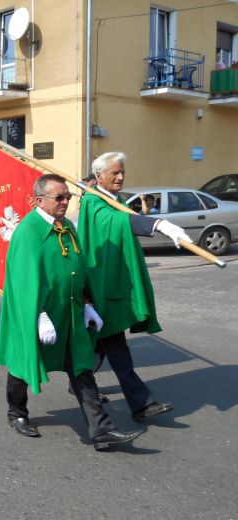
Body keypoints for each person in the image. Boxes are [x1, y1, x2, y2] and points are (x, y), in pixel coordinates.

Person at [0, 174, 142, 449]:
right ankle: (16, 412)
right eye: (59, 198)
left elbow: (79, 268)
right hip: (41, 316)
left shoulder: (66, 227)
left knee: (82, 367)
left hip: (71, 314)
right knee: (23, 365)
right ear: (39, 200)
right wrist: (37, 316)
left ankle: (101, 430)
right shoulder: (28, 233)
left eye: (67, 197)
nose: (65, 202)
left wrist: (87, 303)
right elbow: (23, 280)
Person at [78, 152, 191, 421]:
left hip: (113, 280)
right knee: (114, 344)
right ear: (99, 176)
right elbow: (114, 222)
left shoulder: (113, 198)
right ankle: (141, 403)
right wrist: (157, 224)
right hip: (100, 283)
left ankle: (80, 381)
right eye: (114, 172)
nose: (120, 176)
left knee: (101, 343)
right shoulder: (94, 202)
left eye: (122, 172)